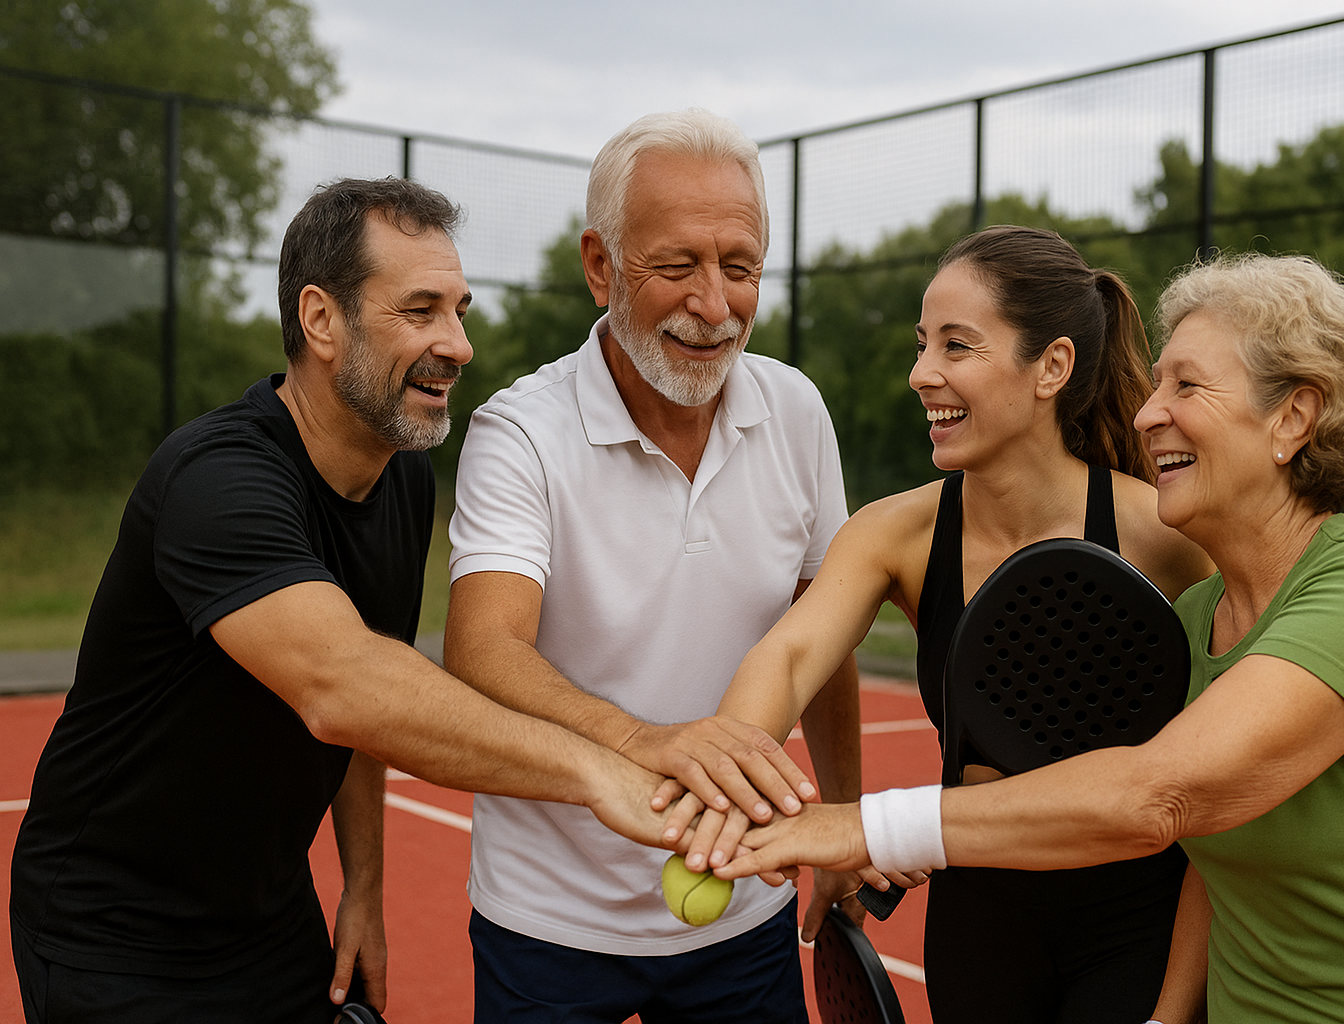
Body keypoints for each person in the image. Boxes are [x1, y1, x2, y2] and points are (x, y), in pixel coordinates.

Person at [716, 252, 1344, 1024]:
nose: (1146, 411)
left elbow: (1159, 798)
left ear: (1292, 417)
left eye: (1187, 384)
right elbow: (1218, 843)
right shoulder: (1200, 618)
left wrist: (863, 826)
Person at [9, 178, 674, 1024]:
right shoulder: (217, 481)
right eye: (421, 310)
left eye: (460, 310)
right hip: (112, 931)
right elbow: (345, 686)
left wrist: (364, 888)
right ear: (321, 320)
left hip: (269, 915)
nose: (459, 344)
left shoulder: (402, 477)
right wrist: (597, 768)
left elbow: (376, 701)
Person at [671, 225, 1213, 1023]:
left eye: (957, 346)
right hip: (978, 922)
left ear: (1051, 368)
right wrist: (731, 778)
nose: (922, 373)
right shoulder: (898, 535)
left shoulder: (1167, 536)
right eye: (923, 344)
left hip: (1137, 921)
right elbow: (789, 656)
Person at [442, 108, 860, 1023]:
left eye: (740, 268)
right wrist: (645, 741)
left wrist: (842, 821)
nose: (715, 306)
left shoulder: (796, 410)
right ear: (601, 265)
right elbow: (482, 650)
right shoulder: (518, 433)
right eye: (677, 267)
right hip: (546, 923)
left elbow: (821, 635)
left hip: (744, 908)